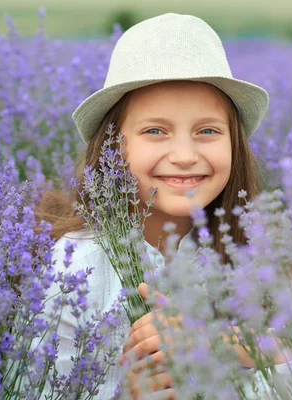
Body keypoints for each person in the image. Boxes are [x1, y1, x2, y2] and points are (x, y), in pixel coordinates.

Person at [34, 12, 274, 399]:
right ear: (113, 147)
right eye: (155, 131)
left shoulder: (256, 254)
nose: (183, 155)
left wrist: (244, 346)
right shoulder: (76, 269)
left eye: (207, 131)